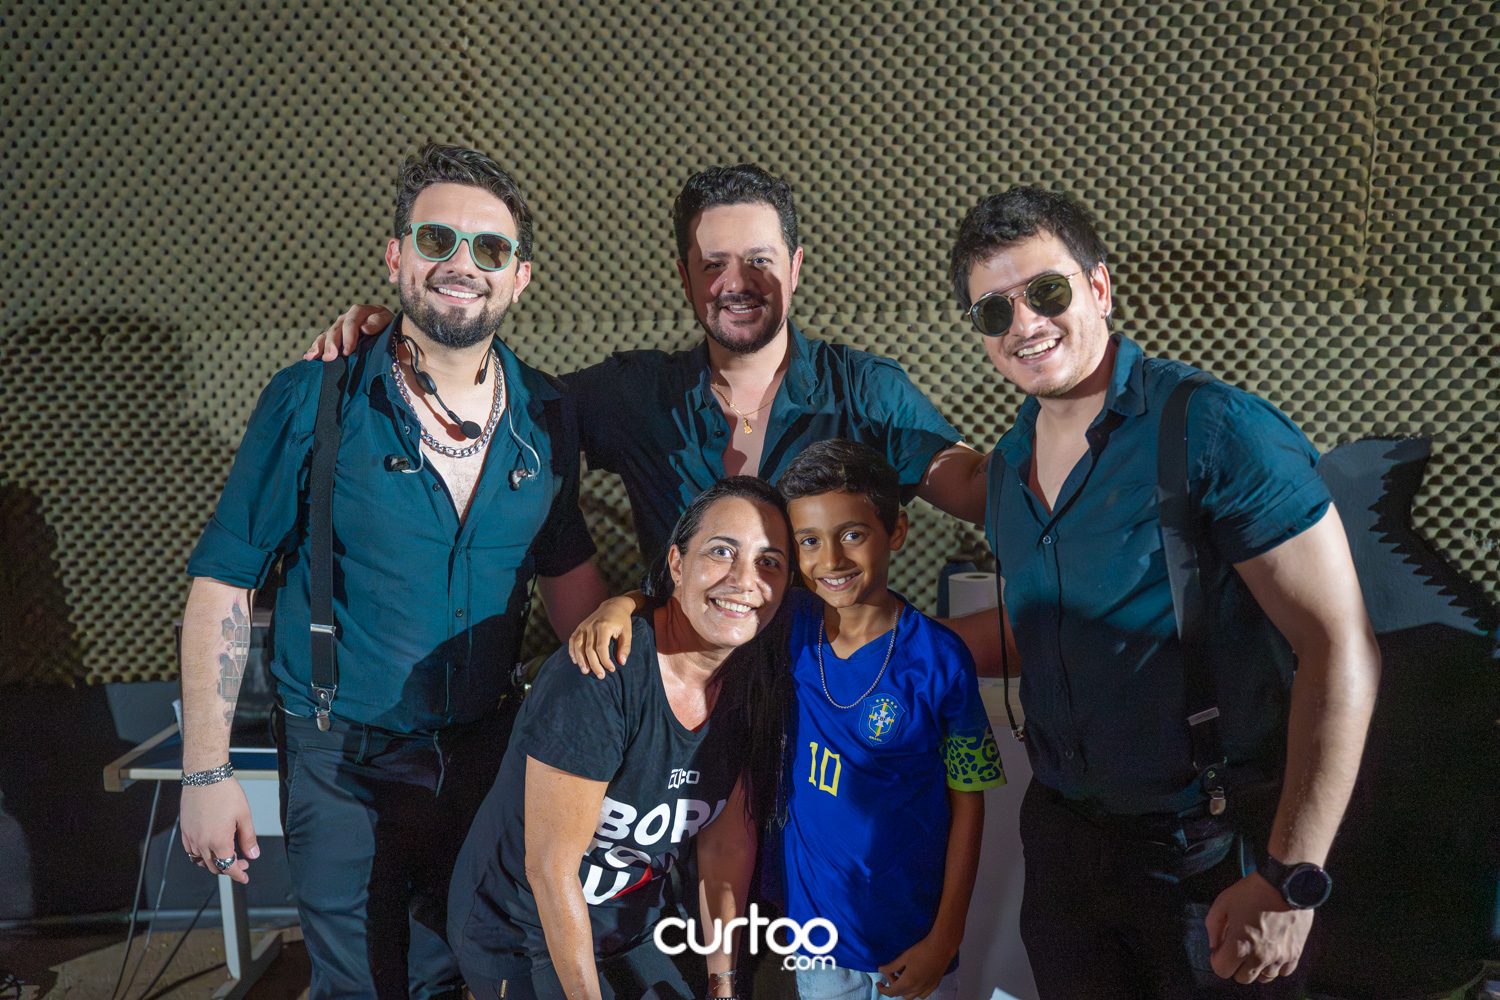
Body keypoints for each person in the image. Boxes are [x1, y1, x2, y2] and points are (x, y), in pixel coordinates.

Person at [178, 143, 609, 1000]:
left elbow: (571, 587)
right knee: (364, 984)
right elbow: (224, 583)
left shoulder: (548, 414)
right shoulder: (313, 398)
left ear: (520, 278)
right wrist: (206, 772)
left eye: (490, 249)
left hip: (487, 753)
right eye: (437, 239)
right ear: (396, 255)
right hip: (343, 759)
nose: (462, 264)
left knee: (469, 970)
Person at [947, 185, 1381, 996]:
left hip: (1203, 852)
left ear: (1098, 287)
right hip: (1063, 843)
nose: (1025, 324)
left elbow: (1337, 646)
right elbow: (1056, 625)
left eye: (1046, 292)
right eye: (995, 311)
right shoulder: (1005, 469)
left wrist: (1291, 878)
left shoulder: (1216, 429)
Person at [305, 163, 992, 567]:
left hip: (826, 712)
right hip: (686, 719)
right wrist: (410, 330)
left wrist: (1050, 380)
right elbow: (504, 400)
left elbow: (979, 492)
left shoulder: (867, 390)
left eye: (759, 259)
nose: (737, 282)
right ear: (686, 277)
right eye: (713, 264)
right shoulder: (635, 393)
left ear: (796, 267)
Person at [571, 440, 1005, 1000]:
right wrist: (622, 604)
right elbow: (694, 602)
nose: (832, 560)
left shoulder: (941, 661)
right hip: (813, 943)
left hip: (911, 941)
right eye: (808, 541)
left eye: (853, 534)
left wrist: (944, 939)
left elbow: (969, 803)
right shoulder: (787, 623)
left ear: (896, 531)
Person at [447, 477, 794, 1000]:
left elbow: (726, 845)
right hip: (523, 928)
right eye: (722, 552)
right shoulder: (603, 672)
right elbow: (551, 870)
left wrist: (724, 983)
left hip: (630, 923)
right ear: (677, 563)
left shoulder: (753, 684)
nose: (745, 580)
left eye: (769, 562)